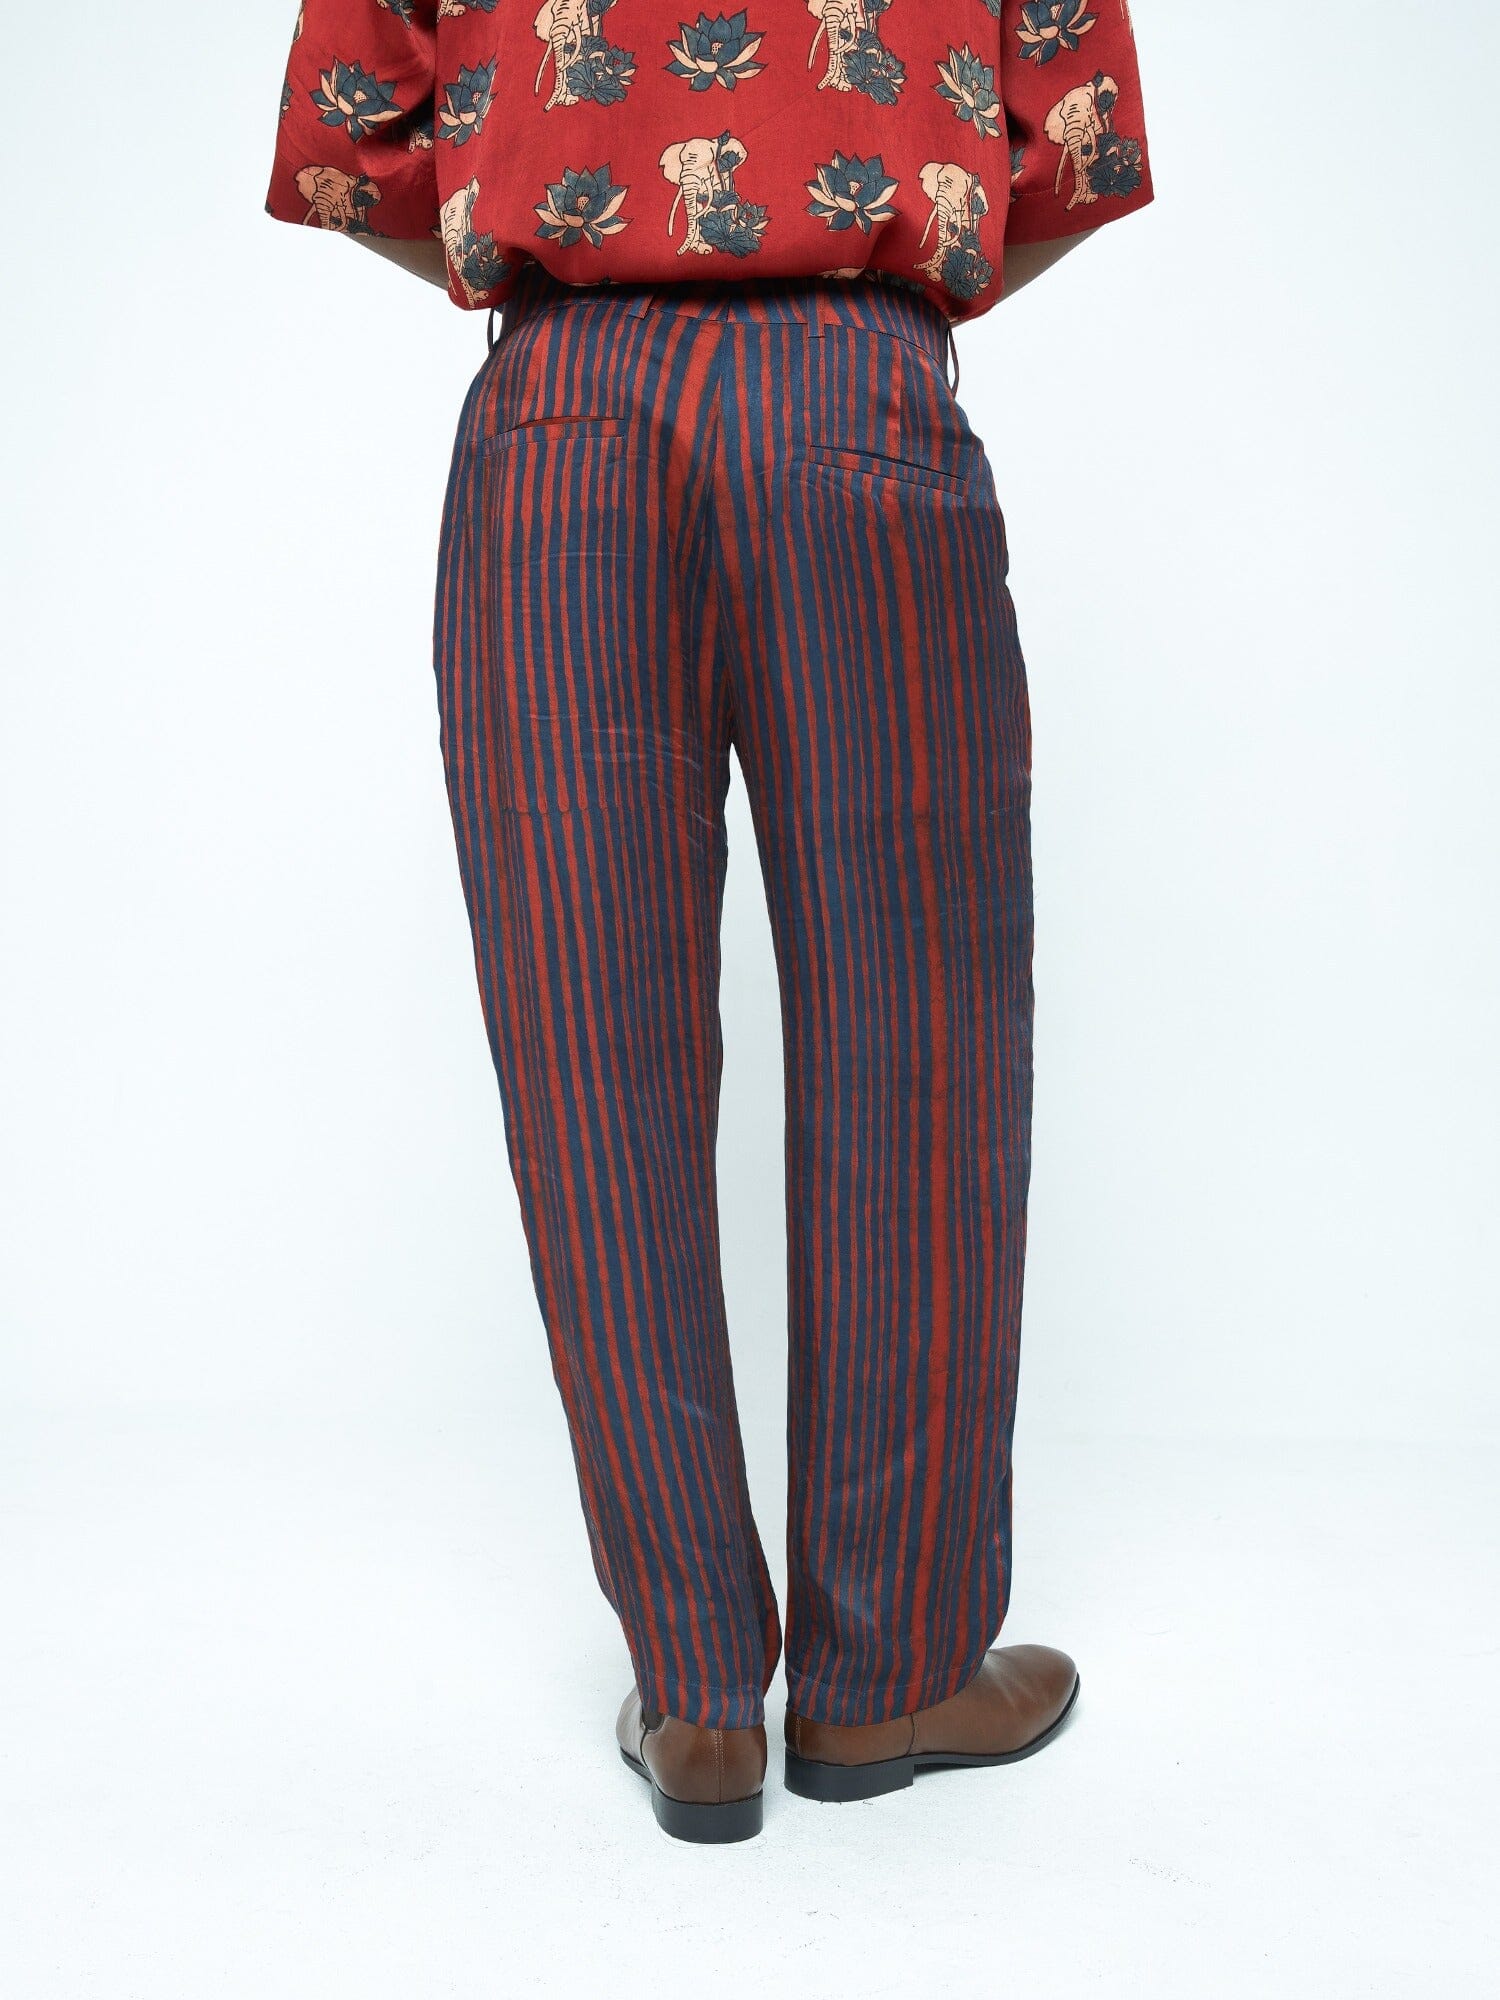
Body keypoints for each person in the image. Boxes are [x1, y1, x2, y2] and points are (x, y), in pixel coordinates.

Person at [265, 0, 1153, 1846]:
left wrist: (575, 258)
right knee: (918, 1030)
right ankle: (889, 1669)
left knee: (591, 1052)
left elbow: (350, 146)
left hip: (563, 413)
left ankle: (695, 1696)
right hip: (853, 398)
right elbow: (1073, 144)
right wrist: (860, 285)